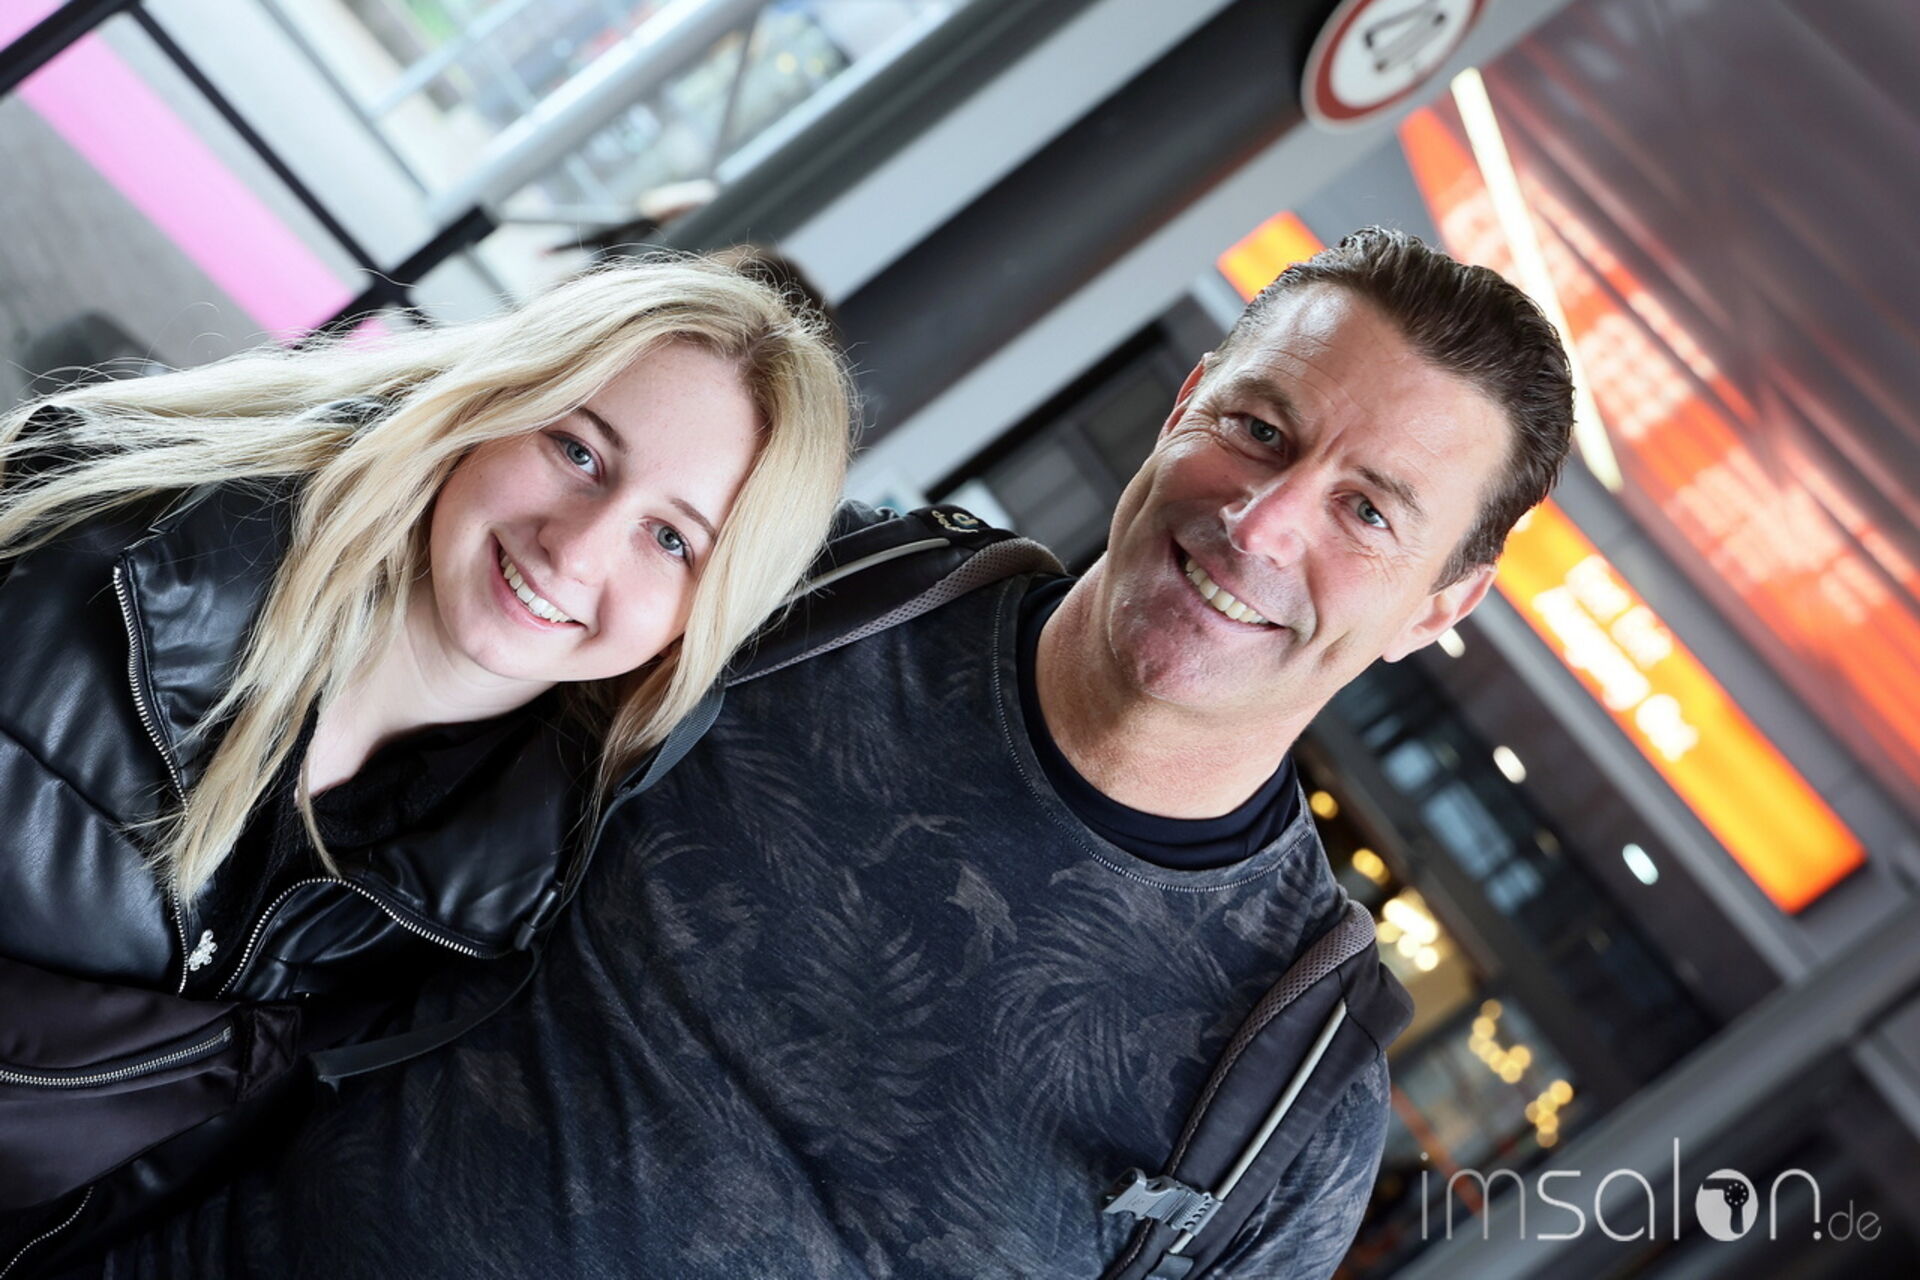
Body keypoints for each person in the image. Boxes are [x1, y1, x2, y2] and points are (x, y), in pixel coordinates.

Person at [109, 228, 1575, 1279]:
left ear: (1440, 605)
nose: (1262, 523)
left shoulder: (1284, 1103)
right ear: (1186, 403)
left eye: (1368, 511)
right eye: (1258, 428)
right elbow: (356, 683)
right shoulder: (817, 590)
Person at [0, 257, 852, 1264]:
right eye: (578, 450)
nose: (577, 550)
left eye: (671, 539)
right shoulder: (101, 519)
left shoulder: (522, 924)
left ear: (705, 617)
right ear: (495, 401)